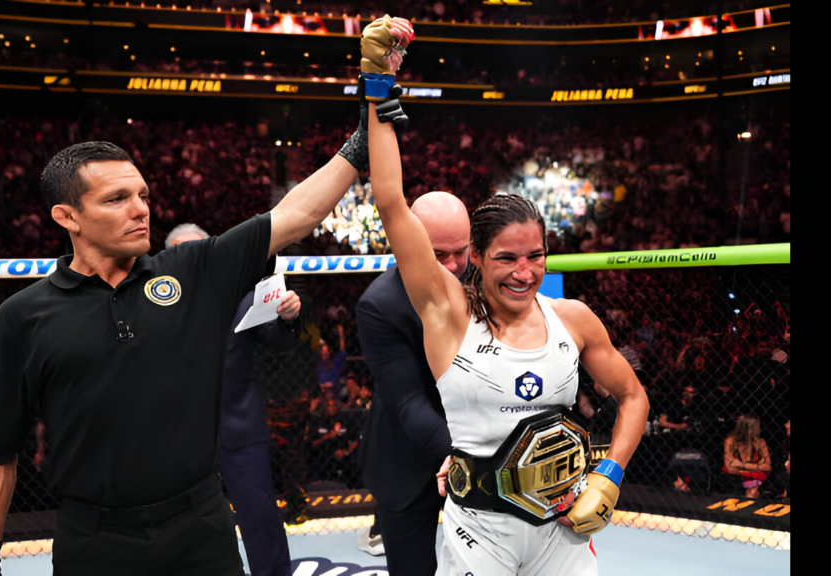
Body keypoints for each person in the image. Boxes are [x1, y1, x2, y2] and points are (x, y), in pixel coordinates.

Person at [0, 63, 413, 574]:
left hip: (199, 525)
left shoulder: (192, 269)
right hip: (93, 540)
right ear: (67, 217)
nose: (141, 209)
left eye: (143, 196)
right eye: (117, 199)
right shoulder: (22, 317)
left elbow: (295, 217)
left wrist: (361, 140)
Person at [367, 74, 649, 574]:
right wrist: (377, 88)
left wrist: (609, 475)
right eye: (507, 259)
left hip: (564, 530)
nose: (525, 272)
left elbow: (633, 398)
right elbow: (391, 200)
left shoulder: (575, 318)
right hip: (480, 532)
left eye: (535, 256)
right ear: (476, 257)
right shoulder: (449, 317)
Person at [168, 224, 301, 576]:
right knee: (180, 522)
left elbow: (278, 339)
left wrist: (288, 318)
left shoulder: (243, 299)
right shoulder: (154, 308)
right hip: (178, 434)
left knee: (260, 514)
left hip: (239, 427)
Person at [356, 191, 470, 573]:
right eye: (440, 254)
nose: (454, 265)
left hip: (478, 446)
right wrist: (469, 455)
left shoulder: (485, 286)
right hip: (404, 458)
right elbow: (408, 401)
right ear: (409, 240)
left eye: (462, 251)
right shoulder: (381, 304)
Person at [721, 415, 772, 499]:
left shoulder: (760, 442)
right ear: (748, 429)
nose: (759, 430)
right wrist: (757, 466)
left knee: (753, 490)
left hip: (756, 477)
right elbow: (730, 467)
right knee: (751, 489)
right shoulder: (731, 441)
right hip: (736, 477)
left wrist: (741, 465)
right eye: (756, 427)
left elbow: (767, 466)